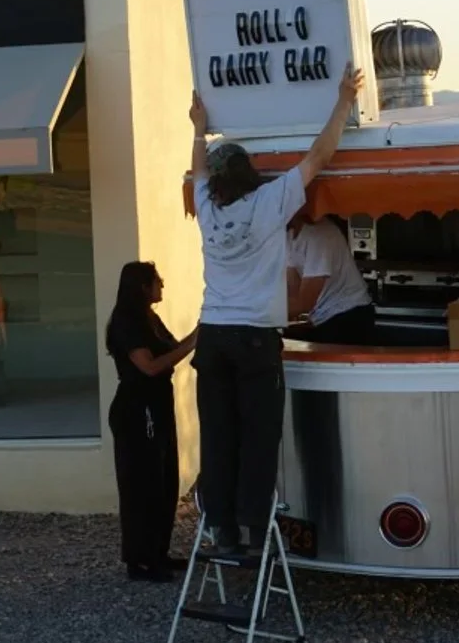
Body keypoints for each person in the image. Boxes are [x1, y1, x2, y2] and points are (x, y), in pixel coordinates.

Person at [189, 64, 364, 557]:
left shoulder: (207, 207)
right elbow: (318, 157)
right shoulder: (268, 203)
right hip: (254, 338)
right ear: (252, 178)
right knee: (259, 437)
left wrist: (198, 128)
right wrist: (343, 101)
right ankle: (252, 532)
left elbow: (199, 167)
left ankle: (221, 530)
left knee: (219, 435)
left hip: (212, 335)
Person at [105, 262, 198, 582]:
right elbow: (150, 366)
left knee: (164, 479)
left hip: (158, 403)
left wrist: (195, 338)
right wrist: (193, 340)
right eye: (157, 281)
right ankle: (139, 559)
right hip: (137, 407)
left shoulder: (150, 318)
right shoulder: (126, 321)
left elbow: (171, 350)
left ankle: (158, 551)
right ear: (142, 286)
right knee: (141, 484)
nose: (162, 286)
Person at [285, 213, 375, 345]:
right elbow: (293, 293)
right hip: (322, 317)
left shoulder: (320, 234)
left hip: (349, 316)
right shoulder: (288, 236)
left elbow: (304, 303)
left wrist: (258, 314)